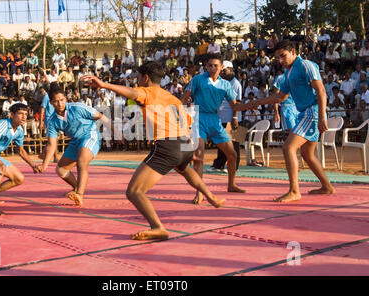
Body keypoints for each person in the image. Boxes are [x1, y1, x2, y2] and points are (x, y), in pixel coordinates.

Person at [82, 62, 226, 241]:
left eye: (138, 78)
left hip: (168, 146)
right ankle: (211, 196)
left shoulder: (147, 92)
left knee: (134, 192)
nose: (137, 82)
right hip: (185, 143)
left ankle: (158, 227)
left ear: (146, 78)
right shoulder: (171, 97)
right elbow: (185, 122)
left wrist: (104, 84)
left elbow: (133, 93)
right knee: (184, 169)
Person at [250, 40, 335, 203]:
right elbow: (281, 97)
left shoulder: (306, 65)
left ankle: (295, 191)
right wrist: (258, 102)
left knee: (289, 147)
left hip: (313, 111)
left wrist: (322, 116)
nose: (281, 60)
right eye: (278, 58)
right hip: (305, 113)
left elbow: (321, 90)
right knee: (307, 154)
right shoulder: (288, 73)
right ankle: (327, 186)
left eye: (283, 56)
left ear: (294, 52)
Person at [181, 55, 250, 205]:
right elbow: (185, 96)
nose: (212, 68)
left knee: (232, 154)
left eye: (215, 66)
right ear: (206, 67)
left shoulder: (226, 85)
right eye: (210, 66)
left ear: (221, 68)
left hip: (215, 120)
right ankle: (199, 193)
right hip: (198, 118)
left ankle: (231, 185)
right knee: (199, 157)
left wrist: (245, 110)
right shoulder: (198, 79)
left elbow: (234, 105)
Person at [37, 86, 107, 208]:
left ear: (66, 99)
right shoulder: (52, 120)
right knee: (60, 170)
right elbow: (52, 144)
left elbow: (100, 116)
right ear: (51, 102)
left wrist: (116, 131)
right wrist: (45, 164)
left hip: (90, 135)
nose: (60, 103)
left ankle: (79, 194)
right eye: (56, 101)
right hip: (75, 141)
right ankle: (76, 187)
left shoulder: (77, 107)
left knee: (81, 161)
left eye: (62, 100)